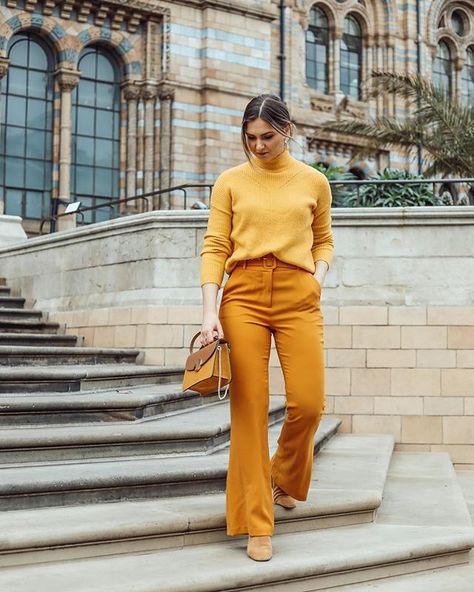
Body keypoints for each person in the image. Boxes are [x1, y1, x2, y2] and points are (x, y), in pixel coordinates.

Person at [199, 94, 334, 562]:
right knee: (250, 410)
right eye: (250, 138)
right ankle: (258, 523)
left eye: (267, 137)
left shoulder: (314, 182)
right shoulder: (229, 182)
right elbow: (215, 244)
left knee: (308, 403)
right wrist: (208, 310)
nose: (258, 146)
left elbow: (324, 239)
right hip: (244, 296)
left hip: (299, 294)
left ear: (287, 131)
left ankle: (283, 478)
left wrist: (317, 278)